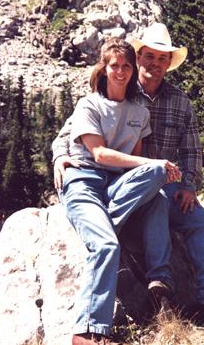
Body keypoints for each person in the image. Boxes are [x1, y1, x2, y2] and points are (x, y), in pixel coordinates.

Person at [53, 23, 204, 328]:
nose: (155, 64)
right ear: (138, 58)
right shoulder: (118, 86)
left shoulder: (180, 102)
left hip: (167, 188)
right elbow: (70, 131)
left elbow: (191, 150)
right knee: (150, 197)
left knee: (200, 221)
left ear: (168, 64)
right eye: (149, 56)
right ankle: (120, 242)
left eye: (163, 59)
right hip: (122, 184)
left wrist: (189, 186)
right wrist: (59, 155)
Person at [59, 37, 181, 345]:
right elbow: (99, 154)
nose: (121, 72)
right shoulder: (89, 104)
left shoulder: (139, 113)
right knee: (106, 246)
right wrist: (60, 156)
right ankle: (88, 332)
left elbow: (134, 165)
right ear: (104, 68)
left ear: (133, 67)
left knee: (156, 175)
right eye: (115, 65)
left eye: (127, 65)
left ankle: (158, 279)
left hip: (116, 186)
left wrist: (158, 168)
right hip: (84, 180)